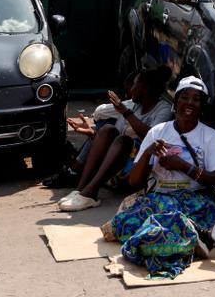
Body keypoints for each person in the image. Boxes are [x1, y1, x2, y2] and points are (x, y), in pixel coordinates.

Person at [102, 77, 215, 279]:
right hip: (160, 198)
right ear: (176, 102)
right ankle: (188, 239)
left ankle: (184, 237)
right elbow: (134, 181)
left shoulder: (209, 136)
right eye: (185, 97)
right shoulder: (158, 132)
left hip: (195, 201)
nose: (189, 103)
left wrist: (184, 167)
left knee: (169, 221)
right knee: (123, 224)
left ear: (202, 106)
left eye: (196, 99)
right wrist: (147, 154)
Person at [57, 68, 173, 211]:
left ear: (145, 89)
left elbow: (152, 138)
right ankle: (80, 190)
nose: (131, 90)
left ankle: (91, 193)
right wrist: (94, 135)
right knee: (107, 130)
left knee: (124, 140)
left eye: (134, 86)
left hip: (136, 172)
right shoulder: (135, 105)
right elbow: (101, 116)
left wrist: (126, 112)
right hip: (116, 168)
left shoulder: (163, 109)